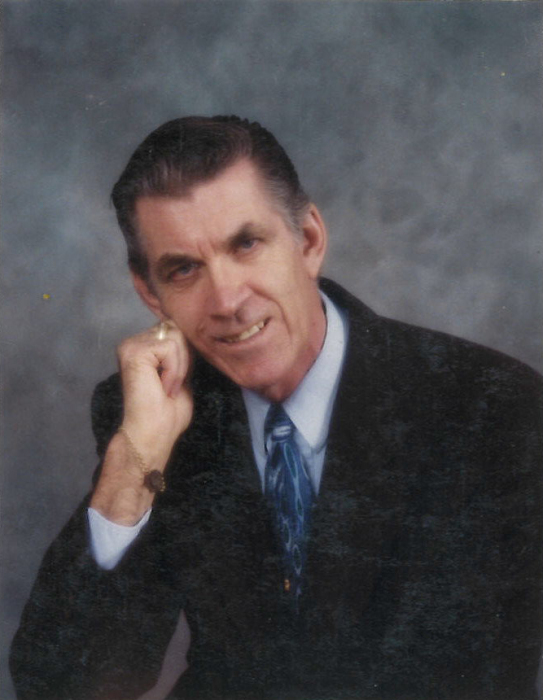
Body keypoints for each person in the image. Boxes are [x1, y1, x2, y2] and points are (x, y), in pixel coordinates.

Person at [10, 116, 543, 700]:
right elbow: (61, 683)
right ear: (149, 294)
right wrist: (134, 459)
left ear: (308, 240)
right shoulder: (151, 410)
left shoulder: (493, 408)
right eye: (184, 269)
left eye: (246, 244)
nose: (227, 300)